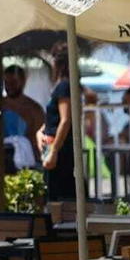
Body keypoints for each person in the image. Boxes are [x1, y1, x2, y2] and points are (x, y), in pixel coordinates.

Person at [38, 44, 81, 200]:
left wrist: (54, 151)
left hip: (60, 148)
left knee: (59, 196)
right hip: (53, 143)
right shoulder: (63, 85)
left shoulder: (64, 86)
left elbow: (65, 120)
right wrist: (40, 132)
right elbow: (53, 119)